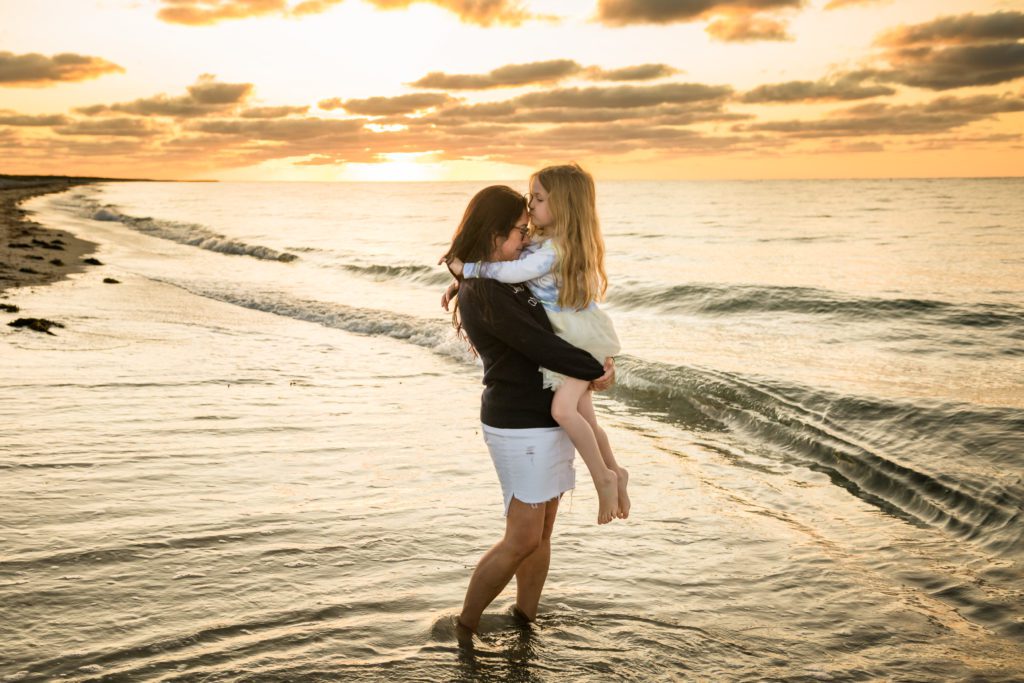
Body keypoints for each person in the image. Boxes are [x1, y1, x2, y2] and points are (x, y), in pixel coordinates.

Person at [439, 184, 616, 641]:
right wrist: (595, 369)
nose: (526, 237)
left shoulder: (502, 277)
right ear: (494, 232)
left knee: (542, 533)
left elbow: (553, 309)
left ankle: (525, 620)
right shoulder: (485, 291)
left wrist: (593, 369)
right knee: (522, 537)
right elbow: (539, 344)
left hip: (549, 416)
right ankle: (465, 628)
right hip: (519, 424)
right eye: (519, 230)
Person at [444, 164, 629, 525]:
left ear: (563, 206)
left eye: (538, 199)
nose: (530, 207)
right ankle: (614, 471)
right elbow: (508, 283)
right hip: (570, 340)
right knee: (586, 417)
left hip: (575, 337)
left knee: (565, 412)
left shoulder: (552, 251)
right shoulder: (544, 244)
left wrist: (467, 270)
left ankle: (604, 477)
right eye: (531, 199)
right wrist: (461, 284)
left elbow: (511, 275)